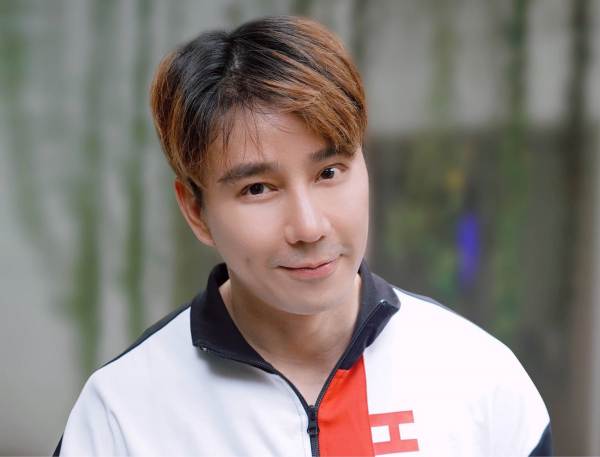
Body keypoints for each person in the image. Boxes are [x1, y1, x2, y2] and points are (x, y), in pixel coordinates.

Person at [54, 15, 551, 456]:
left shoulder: (479, 378)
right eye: (257, 188)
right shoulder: (122, 415)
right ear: (196, 211)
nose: (309, 226)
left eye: (329, 172)